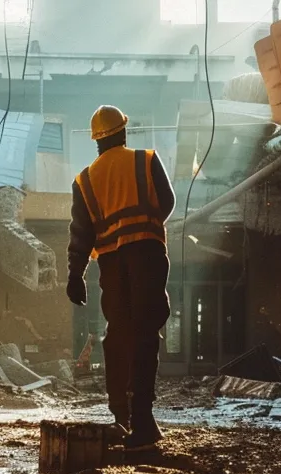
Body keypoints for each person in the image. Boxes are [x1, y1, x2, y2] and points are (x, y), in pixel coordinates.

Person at [65, 105, 175, 450]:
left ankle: (120, 415)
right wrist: (147, 224)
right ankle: (143, 418)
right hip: (146, 253)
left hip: (111, 263)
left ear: (96, 140)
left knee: (118, 336)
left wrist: (75, 274)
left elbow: (80, 233)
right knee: (145, 333)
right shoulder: (145, 160)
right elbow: (167, 201)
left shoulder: (84, 180)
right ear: (123, 132)